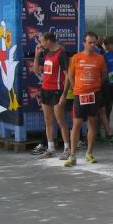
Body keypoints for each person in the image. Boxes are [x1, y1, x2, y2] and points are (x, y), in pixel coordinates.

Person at [62, 32, 107, 166]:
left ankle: (89, 153)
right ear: (84, 43)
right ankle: (72, 155)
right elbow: (70, 75)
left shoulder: (100, 58)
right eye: (89, 42)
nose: (92, 45)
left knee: (92, 123)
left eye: (94, 42)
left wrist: (96, 86)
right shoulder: (76, 58)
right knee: (76, 124)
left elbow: (104, 75)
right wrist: (75, 88)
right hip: (79, 95)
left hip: (94, 95)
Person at [31, 32, 70, 160]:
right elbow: (36, 70)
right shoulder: (46, 53)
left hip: (56, 91)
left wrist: (64, 94)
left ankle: (67, 149)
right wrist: (37, 55)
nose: (40, 43)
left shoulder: (61, 54)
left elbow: (68, 76)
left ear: (48, 41)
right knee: (48, 121)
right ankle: (50, 148)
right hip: (45, 90)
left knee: (60, 120)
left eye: (42, 41)